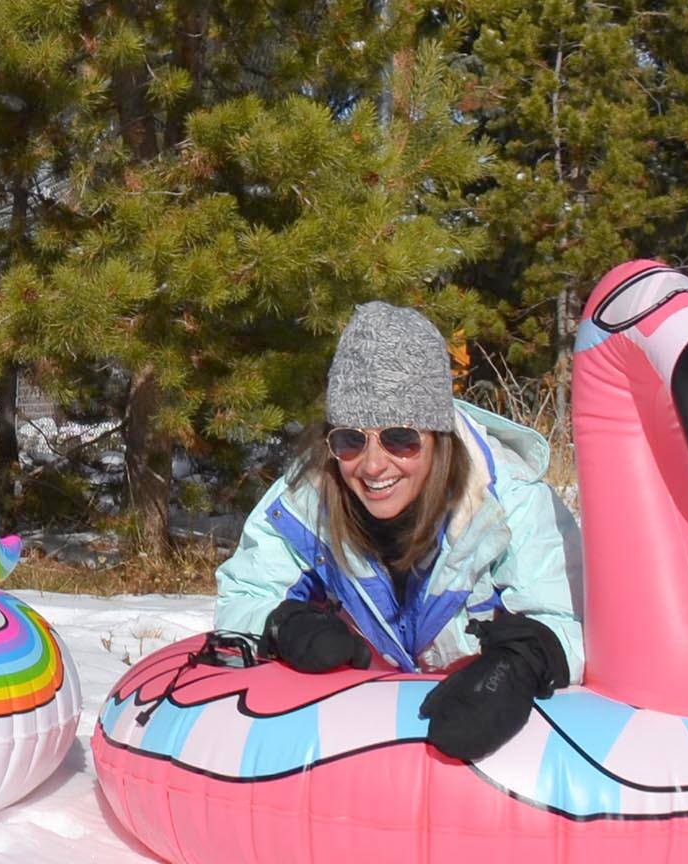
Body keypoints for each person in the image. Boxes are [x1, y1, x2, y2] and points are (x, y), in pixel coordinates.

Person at [213, 304, 584, 763]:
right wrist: (282, 624)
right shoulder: (305, 501)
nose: (372, 466)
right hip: (355, 752)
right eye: (351, 439)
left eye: (400, 438)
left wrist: (522, 662)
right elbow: (242, 595)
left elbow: (569, 619)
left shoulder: (511, 501)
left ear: (437, 436)